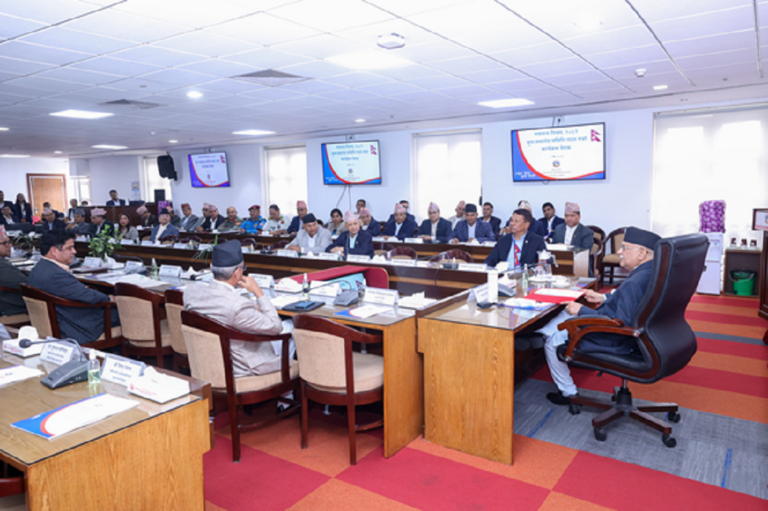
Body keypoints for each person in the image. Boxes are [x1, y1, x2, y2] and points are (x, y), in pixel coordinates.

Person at [537, 227, 660, 405]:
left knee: (553, 341)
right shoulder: (651, 272)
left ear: (641, 253)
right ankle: (541, 332)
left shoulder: (635, 282)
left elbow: (620, 323)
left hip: (618, 338)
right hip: (647, 334)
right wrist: (604, 297)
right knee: (565, 312)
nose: (619, 252)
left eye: (624, 248)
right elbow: (634, 300)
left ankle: (568, 392)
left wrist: (581, 310)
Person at [183, 240, 285, 376]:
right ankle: (287, 387)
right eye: (243, 268)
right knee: (288, 328)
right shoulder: (239, 305)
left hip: (204, 363)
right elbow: (276, 326)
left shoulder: (190, 292)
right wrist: (258, 292)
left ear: (211, 267)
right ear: (237, 273)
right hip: (238, 369)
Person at [27, 229, 120, 344]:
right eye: (69, 248)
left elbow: (74, 291)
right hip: (78, 329)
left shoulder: (39, 268)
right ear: (54, 251)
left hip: (62, 321)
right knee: (126, 311)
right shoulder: (56, 275)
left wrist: (80, 289)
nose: (74, 251)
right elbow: (89, 296)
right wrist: (109, 298)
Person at [0, 226, 28, 318]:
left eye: (9, 242)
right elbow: (27, 284)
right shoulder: (2, 266)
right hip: (13, 309)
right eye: (5, 243)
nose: (10, 245)